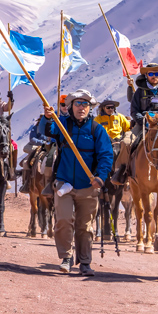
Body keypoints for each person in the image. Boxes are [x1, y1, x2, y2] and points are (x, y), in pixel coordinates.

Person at [42, 89, 115, 276]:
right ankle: (66, 257)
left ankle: (84, 262)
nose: (81, 107)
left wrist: (101, 176)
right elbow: (49, 130)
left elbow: (106, 155)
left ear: (90, 108)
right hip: (64, 182)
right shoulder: (62, 123)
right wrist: (48, 117)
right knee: (64, 220)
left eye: (85, 104)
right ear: (71, 106)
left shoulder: (96, 129)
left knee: (85, 226)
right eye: (77, 103)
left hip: (88, 185)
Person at [127, 63, 158, 148]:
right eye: (151, 74)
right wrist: (145, 121)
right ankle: (125, 161)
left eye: (156, 74)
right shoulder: (139, 92)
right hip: (143, 124)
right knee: (126, 142)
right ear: (146, 75)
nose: (154, 76)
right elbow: (134, 111)